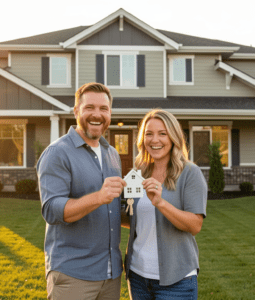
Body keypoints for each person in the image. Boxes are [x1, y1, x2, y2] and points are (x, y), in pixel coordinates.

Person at [37, 82, 126, 300]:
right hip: (72, 275)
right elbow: (52, 210)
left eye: (103, 109)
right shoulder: (57, 153)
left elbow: (115, 211)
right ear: (76, 111)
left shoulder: (112, 154)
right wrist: (98, 197)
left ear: (110, 113)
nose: (97, 114)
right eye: (89, 108)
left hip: (111, 274)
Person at [124, 109, 207, 300]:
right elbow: (133, 219)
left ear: (174, 137)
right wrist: (105, 202)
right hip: (138, 276)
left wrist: (160, 203)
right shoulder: (139, 172)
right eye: (149, 134)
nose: (155, 140)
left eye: (162, 133)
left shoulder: (190, 173)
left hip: (177, 280)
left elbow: (195, 225)